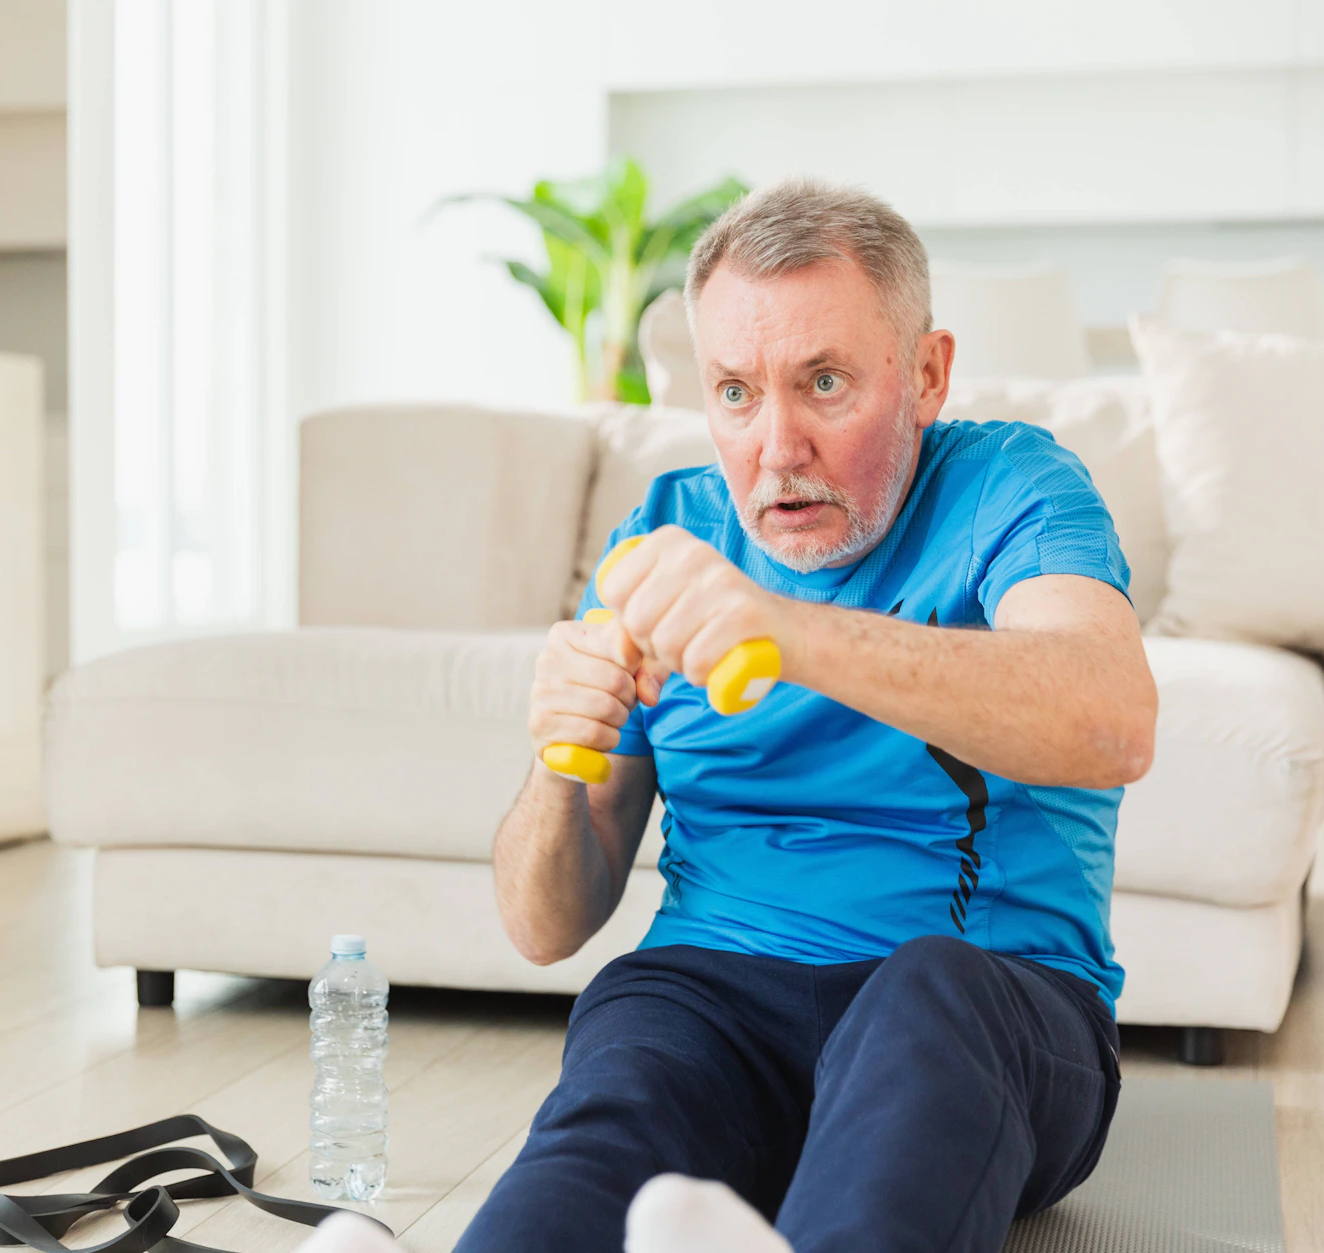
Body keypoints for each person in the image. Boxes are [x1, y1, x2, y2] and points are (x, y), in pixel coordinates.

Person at [455, 177, 1156, 1253]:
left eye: (821, 382)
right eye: (734, 391)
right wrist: (558, 760)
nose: (774, 445)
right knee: (631, 1062)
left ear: (924, 374)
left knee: (929, 990)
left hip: (990, 1008)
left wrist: (782, 628)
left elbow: (1109, 718)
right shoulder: (663, 530)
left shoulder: (1012, 486)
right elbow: (544, 925)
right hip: (715, 992)